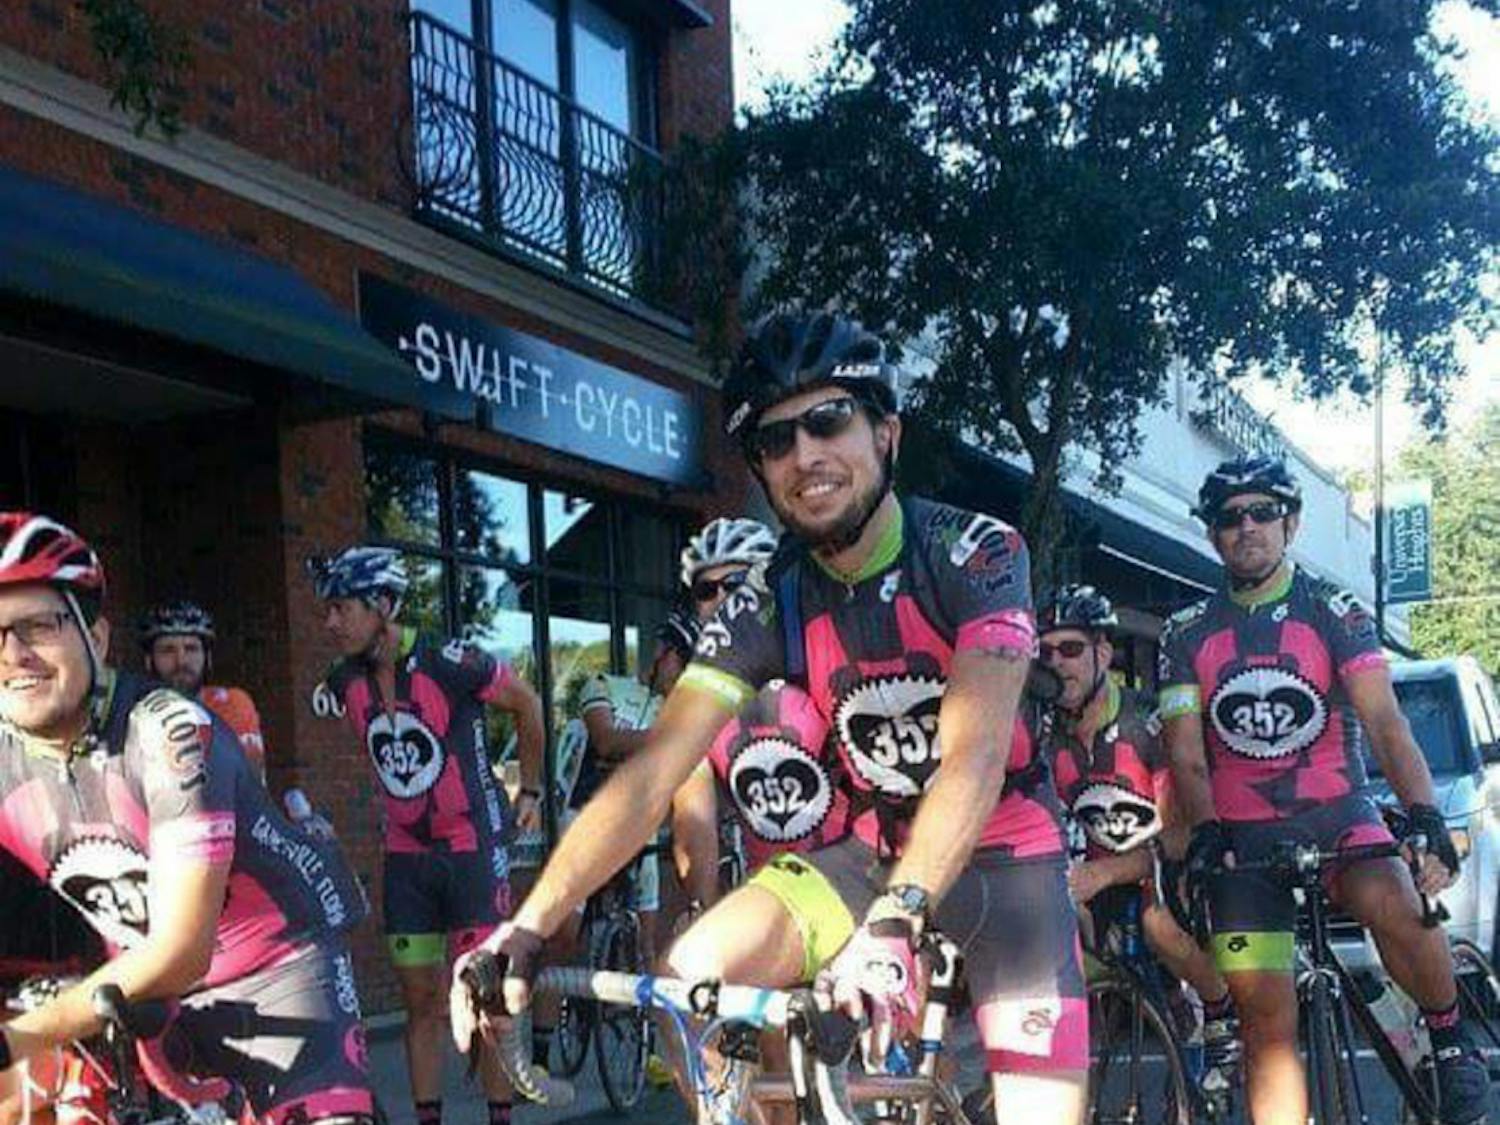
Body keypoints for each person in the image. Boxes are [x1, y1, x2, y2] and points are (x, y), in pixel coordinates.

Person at [452, 310, 1089, 1121]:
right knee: (692, 984)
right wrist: (529, 926)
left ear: (886, 432)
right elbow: (652, 772)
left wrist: (898, 919)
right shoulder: (766, 598)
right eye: (777, 440)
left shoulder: (976, 553)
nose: (805, 455)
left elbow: (974, 752)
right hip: (870, 852)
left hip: (1010, 857)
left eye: (829, 420)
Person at [0, 512, 373, 1125]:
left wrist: (17, 1037)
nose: (15, 653)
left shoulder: (170, 731)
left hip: (274, 965)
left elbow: (180, 951)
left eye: (40, 625)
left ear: (95, 639)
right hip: (137, 985)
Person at [1160, 455, 1489, 1125]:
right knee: (1267, 1033)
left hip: (1339, 813)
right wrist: (1205, 830)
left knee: (1395, 897)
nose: (1246, 526)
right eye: (1229, 517)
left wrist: (1423, 811)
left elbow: (1386, 723)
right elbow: (1186, 755)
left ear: (1292, 522)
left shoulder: (1334, 610)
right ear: (1212, 534)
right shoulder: (1184, 631)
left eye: (1262, 512)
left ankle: (1452, 1042)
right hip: (1241, 838)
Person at [309, 546, 544, 1125]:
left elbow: (529, 704)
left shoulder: (451, 659)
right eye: (327, 610)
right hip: (407, 857)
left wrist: (532, 792)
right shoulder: (343, 681)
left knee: (487, 1001)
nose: (329, 622)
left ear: (383, 606)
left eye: (341, 609)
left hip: (471, 849)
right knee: (420, 1004)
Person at [1037, 584, 1240, 1095]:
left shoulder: (1146, 724)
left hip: (1175, 868)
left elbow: (1178, 835)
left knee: (1157, 923)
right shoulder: (1043, 734)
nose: (1057, 663)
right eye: (1045, 652)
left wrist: (1103, 872)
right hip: (1107, 880)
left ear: (1103, 653)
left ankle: (1221, 1010)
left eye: (1071, 649)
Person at [669, 517, 780, 910]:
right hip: (767, 910)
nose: (719, 598)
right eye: (705, 589)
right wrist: (703, 910)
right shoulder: (699, 696)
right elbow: (692, 823)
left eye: (734, 583)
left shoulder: (818, 649)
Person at [138, 600, 267, 780]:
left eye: (191, 649)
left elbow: (246, 785)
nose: (181, 661)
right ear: (149, 660)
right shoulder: (132, 716)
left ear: (207, 658)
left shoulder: (233, 704)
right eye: (168, 650)